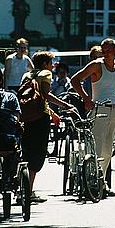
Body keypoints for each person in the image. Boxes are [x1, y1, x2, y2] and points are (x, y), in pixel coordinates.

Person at [69, 38, 115, 198]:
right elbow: (75, 80)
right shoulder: (96, 65)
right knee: (97, 147)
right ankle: (92, 182)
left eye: (109, 50)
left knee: (108, 150)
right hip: (99, 108)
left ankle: (102, 183)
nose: (106, 53)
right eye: (104, 50)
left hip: (114, 109)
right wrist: (87, 99)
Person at [20, 50, 73, 204]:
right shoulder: (45, 74)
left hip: (26, 117)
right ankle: (28, 191)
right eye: (50, 63)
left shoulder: (27, 75)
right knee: (37, 155)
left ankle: (22, 189)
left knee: (26, 152)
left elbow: (37, 99)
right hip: (39, 120)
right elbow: (46, 95)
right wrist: (65, 105)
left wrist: (53, 114)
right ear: (44, 64)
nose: (52, 67)